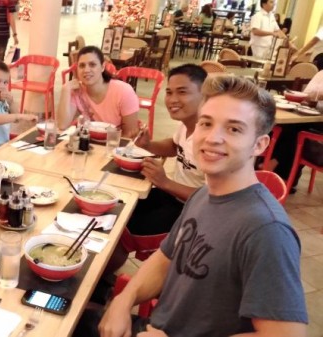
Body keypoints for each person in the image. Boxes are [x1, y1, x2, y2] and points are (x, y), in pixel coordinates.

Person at [98, 76, 308, 337]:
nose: (212, 138)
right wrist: (123, 300)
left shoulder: (266, 230)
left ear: (259, 145)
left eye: (234, 129)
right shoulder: (203, 196)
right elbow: (166, 259)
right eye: (206, 123)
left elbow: (288, 335)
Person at [104, 64, 207, 276]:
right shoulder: (188, 125)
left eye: (183, 92)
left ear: (204, 94)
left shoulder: (209, 139)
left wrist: (165, 182)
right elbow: (174, 145)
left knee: (122, 226)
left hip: (194, 216)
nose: (172, 99)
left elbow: (213, 198)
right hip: (172, 197)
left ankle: (100, 281)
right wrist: (148, 145)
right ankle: (104, 279)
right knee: (116, 208)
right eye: (169, 92)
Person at [57, 45, 140, 138]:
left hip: (114, 145)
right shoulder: (77, 91)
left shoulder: (124, 91)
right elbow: (62, 125)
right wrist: (65, 90)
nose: (86, 70)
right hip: (90, 144)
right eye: (82, 65)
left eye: (92, 64)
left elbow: (130, 136)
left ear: (102, 67)